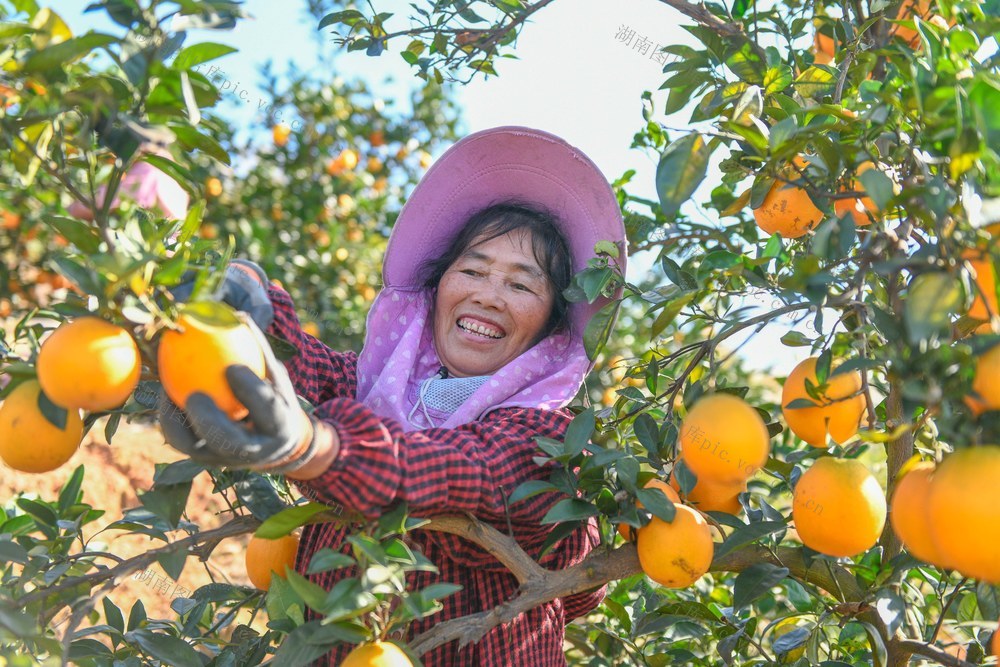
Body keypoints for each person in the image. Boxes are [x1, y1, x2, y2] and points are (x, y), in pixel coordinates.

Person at [157, 126, 626, 665]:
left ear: (552, 329)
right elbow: (303, 363)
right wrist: (242, 297)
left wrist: (317, 449)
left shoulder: (552, 445)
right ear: (435, 290)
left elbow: (459, 471)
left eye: (521, 285)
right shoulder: (380, 390)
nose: (486, 295)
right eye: (471, 270)